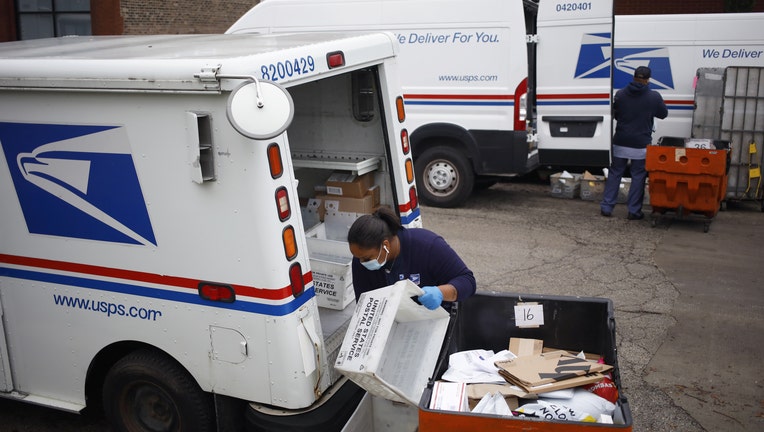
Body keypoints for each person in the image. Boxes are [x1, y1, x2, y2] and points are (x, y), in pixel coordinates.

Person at [347, 206, 476, 310]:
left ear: (385, 245)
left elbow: (467, 281)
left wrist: (440, 293)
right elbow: (363, 305)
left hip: (434, 318)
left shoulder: (428, 246)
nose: (362, 262)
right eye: (358, 257)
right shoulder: (361, 260)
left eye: (367, 258)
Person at [600, 65, 668, 220]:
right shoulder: (654, 97)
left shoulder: (621, 94)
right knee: (638, 176)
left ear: (634, 77)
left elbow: (616, 114)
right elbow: (663, 114)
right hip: (641, 143)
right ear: (648, 79)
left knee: (615, 173)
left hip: (621, 140)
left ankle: (607, 207)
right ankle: (634, 211)